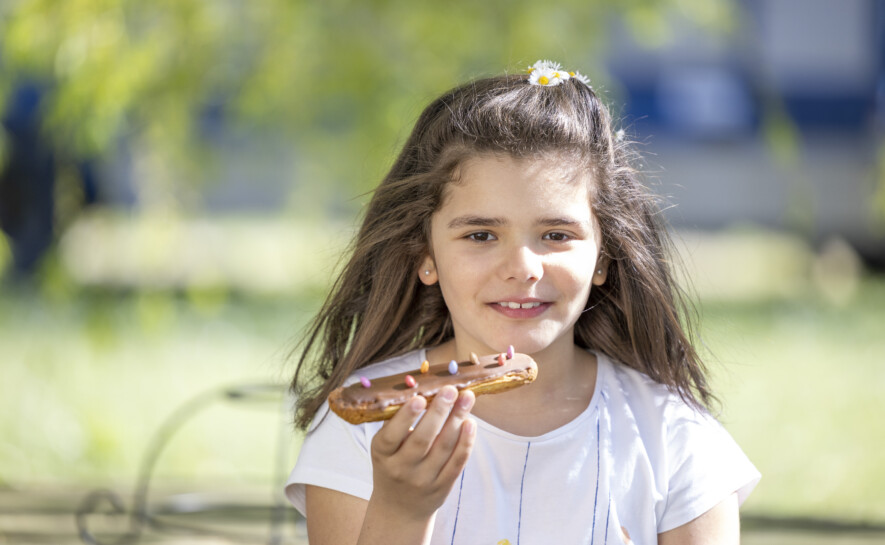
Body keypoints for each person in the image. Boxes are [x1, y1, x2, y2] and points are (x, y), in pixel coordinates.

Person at [284, 60, 760, 544]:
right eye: (481, 234)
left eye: (556, 234)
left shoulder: (675, 439)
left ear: (604, 258)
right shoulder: (359, 429)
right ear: (425, 256)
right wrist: (402, 511)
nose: (522, 266)